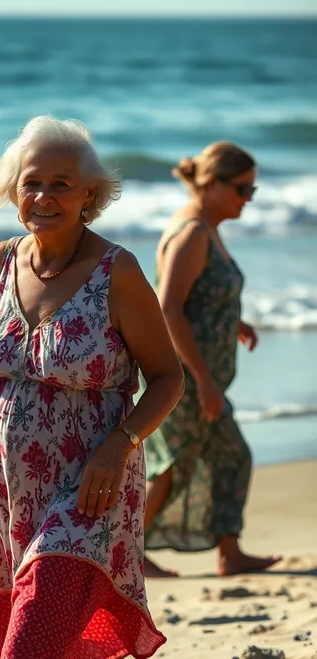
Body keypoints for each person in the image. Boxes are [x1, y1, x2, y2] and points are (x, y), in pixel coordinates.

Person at [0, 116, 184, 659]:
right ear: (12, 189)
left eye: (61, 183)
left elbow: (169, 377)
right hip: (3, 486)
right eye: (32, 181)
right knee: (26, 635)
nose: (44, 195)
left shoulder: (117, 271)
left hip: (88, 489)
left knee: (31, 645)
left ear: (88, 194)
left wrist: (121, 445)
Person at [142, 142, 282, 579]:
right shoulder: (192, 234)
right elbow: (168, 309)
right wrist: (202, 378)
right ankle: (120, 557)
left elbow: (201, 297)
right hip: (182, 382)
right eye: (242, 189)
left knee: (229, 456)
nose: (247, 199)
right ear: (212, 183)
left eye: (251, 190)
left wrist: (234, 321)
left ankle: (229, 553)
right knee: (169, 468)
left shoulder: (207, 227)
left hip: (203, 380)